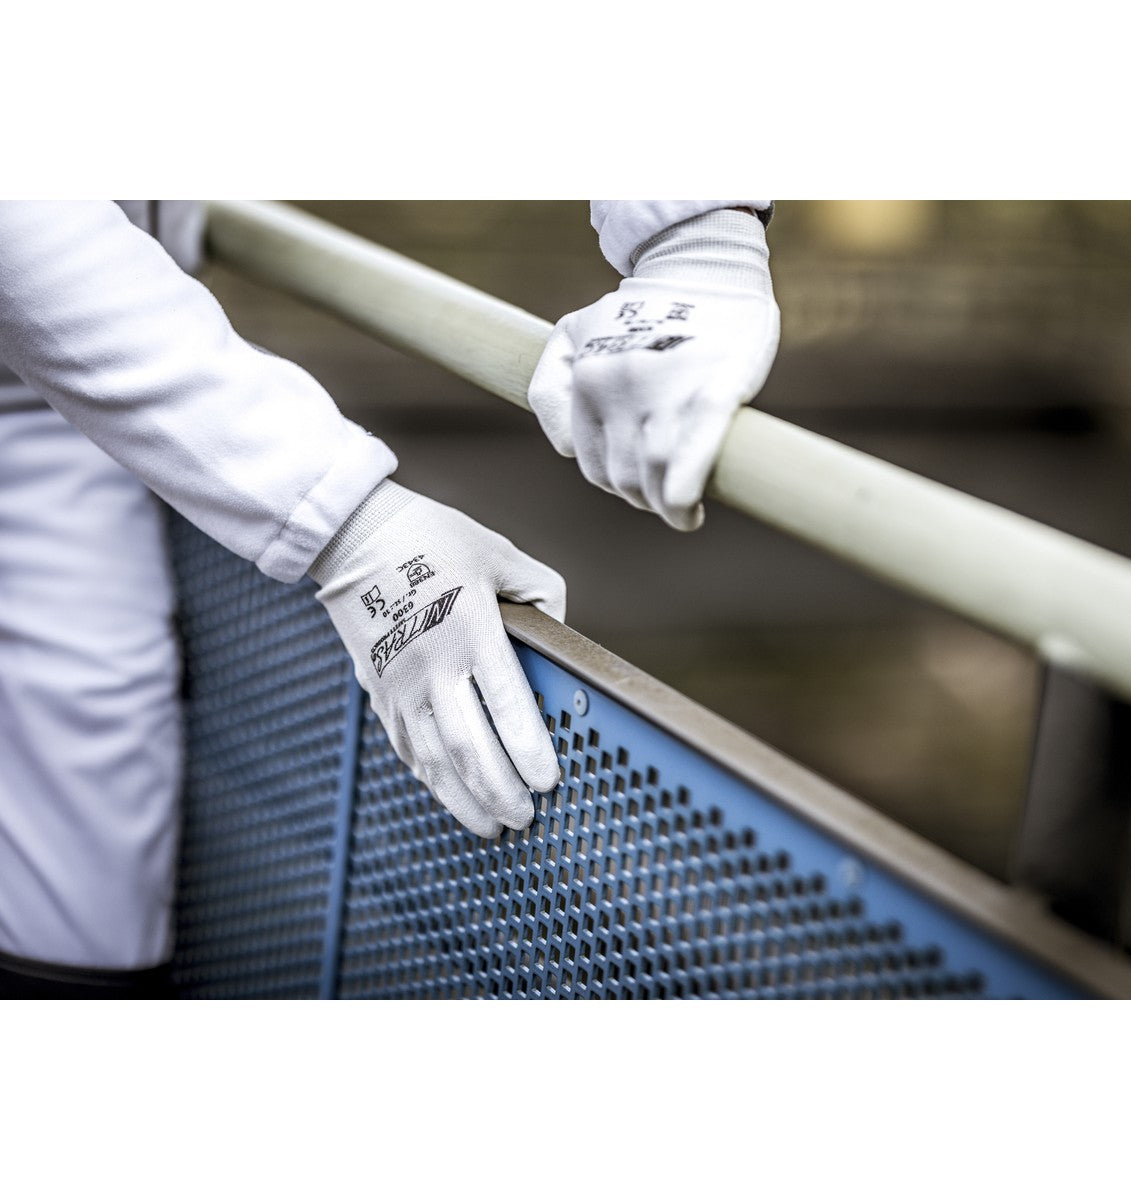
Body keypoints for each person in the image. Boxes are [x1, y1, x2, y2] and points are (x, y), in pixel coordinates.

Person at [0, 199, 777, 998]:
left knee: (88, 915)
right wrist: (350, 528)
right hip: (48, 303)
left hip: (60, 361)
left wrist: (697, 238)